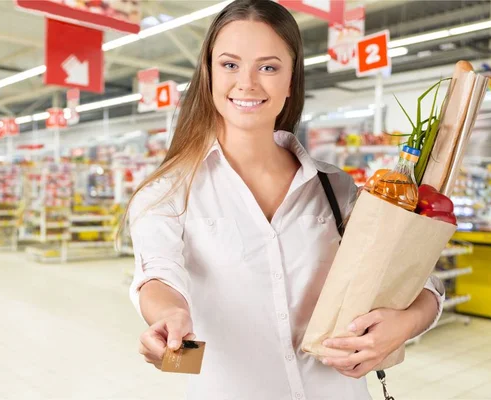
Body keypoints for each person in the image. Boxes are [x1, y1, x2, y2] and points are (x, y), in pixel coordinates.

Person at [125, 1, 444, 399]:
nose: (247, 83)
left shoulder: (335, 188)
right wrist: (170, 319)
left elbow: (415, 276)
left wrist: (407, 322)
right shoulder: (167, 192)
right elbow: (158, 273)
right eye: (229, 65)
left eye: (269, 67)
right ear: (208, 75)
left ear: (291, 80)